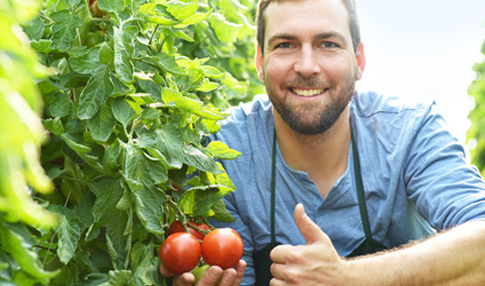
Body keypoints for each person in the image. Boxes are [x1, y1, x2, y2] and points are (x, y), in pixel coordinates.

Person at [160, 0, 485, 284]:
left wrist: (347, 278)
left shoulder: (409, 133)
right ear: (260, 61)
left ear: (358, 61)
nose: (306, 66)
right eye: (285, 44)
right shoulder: (226, 151)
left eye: (327, 44)